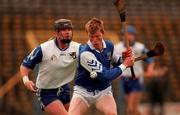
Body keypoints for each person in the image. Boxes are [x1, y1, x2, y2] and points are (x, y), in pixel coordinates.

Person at [68, 18, 135, 115]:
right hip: (83, 92)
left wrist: (124, 58)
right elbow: (105, 76)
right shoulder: (85, 54)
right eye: (91, 37)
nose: (94, 40)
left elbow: (116, 62)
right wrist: (125, 64)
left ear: (102, 32)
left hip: (103, 90)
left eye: (97, 36)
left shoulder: (109, 45)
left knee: (112, 113)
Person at [20, 19, 80, 115]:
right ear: (56, 33)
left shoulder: (78, 48)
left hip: (64, 89)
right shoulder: (43, 49)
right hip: (46, 92)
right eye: (64, 30)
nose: (68, 32)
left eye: (69, 29)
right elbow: (24, 66)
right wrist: (26, 81)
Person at [114, 25, 154, 115]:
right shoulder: (117, 47)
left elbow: (150, 59)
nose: (128, 37)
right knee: (133, 110)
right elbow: (113, 62)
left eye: (130, 34)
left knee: (130, 109)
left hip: (136, 79)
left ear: (134, 36)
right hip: (124, 80)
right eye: (126, 34)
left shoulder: (140, 47)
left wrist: (150, 69)